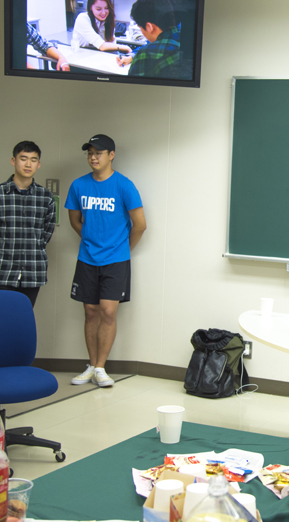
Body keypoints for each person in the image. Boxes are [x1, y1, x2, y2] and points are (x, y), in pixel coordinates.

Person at [65, 135, 146, 388]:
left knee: (108, 312)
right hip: (87, 258)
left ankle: (101, 368)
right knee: (90, 312)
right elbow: (75, 220)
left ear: (111, 155)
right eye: (90, 153)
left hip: (116, 260)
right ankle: (91, 366)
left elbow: (140, 225)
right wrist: (90, 239)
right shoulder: (79, 185)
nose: (93, 157)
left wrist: (121, 248)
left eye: (98, 153)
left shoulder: (124, 185)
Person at [0, 141, 56, 306]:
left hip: (33, 270)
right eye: (23, 158)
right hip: (3, 270)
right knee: (3, 321)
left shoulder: (45, 197)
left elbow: (46, 233)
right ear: (13, 161)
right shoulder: (1, 194)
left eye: (33, 160)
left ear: (38, 164)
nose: (28, 164)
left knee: (23, 320)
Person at [116, 0, 182, 78]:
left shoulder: (146, 53)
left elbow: (132, 87)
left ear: (149, 27)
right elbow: (149, 45)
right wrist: (131, 57)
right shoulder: (183, 35)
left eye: (140, 27)